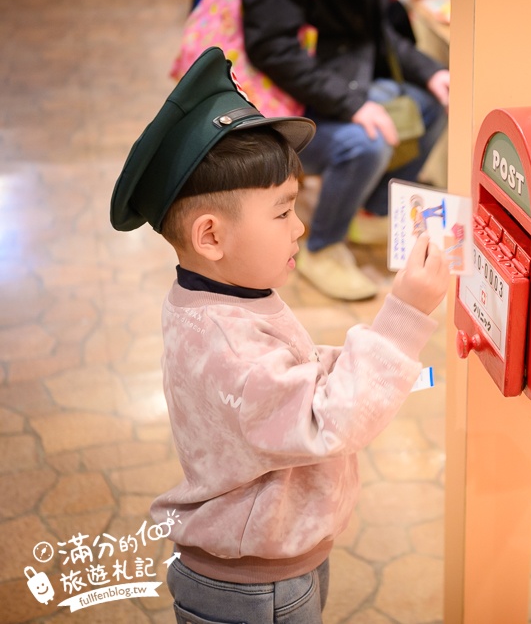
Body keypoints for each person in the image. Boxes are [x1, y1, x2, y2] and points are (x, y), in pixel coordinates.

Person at [109, 47, 449, 624]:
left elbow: (288, 376)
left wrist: (346, 362)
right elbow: (326, 421)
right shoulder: (228, 345)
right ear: (211, 237)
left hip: (275, 562)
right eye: (282, 212)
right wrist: (403, 316)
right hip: (254, 588)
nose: (300, 226)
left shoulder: (219, 295)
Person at [242, 0, 450, 301]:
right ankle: (322, 248)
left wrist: (430, 71)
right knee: (366, 142)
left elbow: (375, 31)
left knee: (427, 107)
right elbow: (272, 48)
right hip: (274, 105)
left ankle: (368, 213)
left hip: (333, 79)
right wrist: (352, 105)